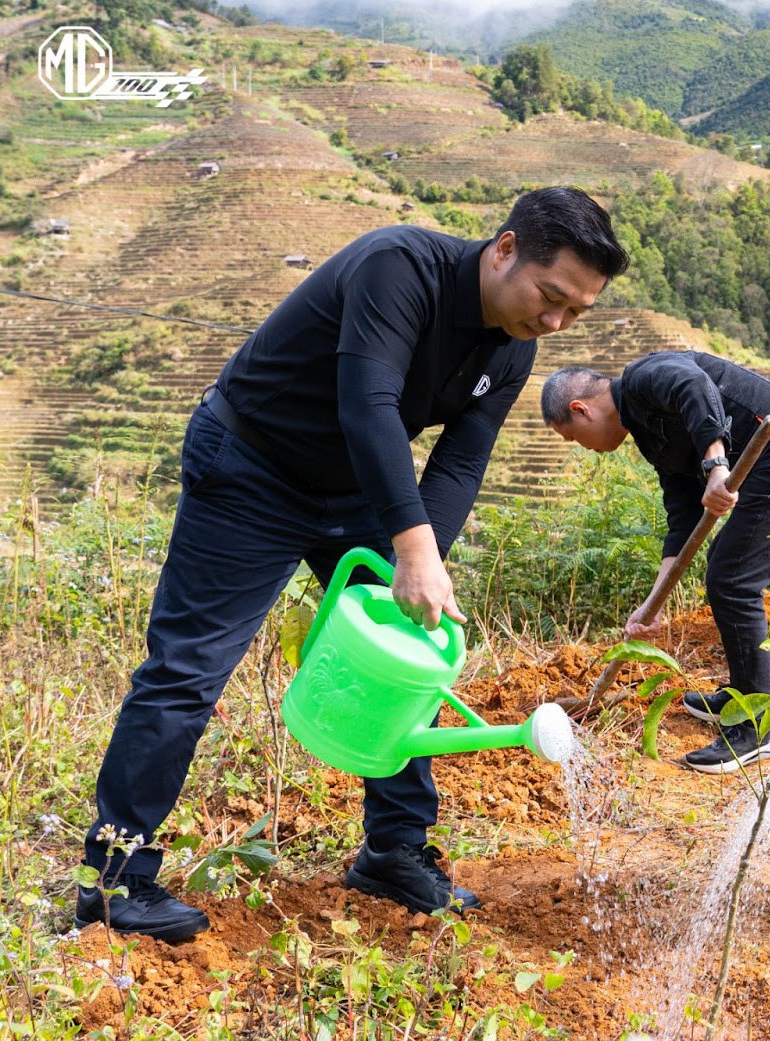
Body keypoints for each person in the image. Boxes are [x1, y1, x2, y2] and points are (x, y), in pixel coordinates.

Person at [79, 188, 629, 943]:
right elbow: (367, 404)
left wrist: (425, 562)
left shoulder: (513, 348)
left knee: (412, 650)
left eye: (577, 313)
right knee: (188, 671)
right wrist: (410, 546)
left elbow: (460, 463)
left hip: (355, 488)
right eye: (551, 296)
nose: (557, 322)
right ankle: (115, 883)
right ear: (504, 249)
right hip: (251, 467)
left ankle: (393, 851)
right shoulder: (397, 266)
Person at [540, 354, 770, 772]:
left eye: (574, 438)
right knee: (728, 571)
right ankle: (742, 699)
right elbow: (683, 515)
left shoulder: (644, 377)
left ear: (582, 410)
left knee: (733, 578)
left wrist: (716, 466)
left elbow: (693, 385)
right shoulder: (650, 435)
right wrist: (654, 602)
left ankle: (761, 725)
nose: (585, 448)